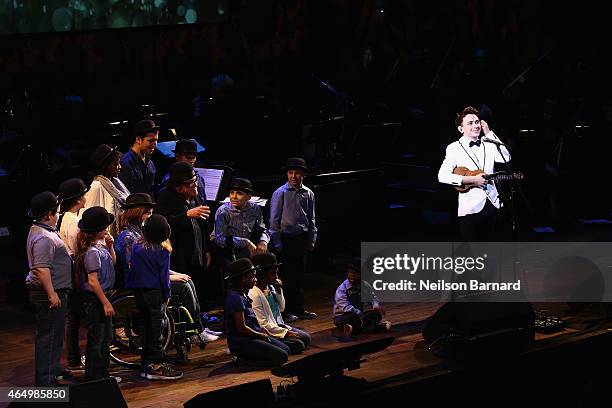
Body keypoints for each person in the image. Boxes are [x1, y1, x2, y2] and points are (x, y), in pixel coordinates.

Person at [115, 193, 219, 342]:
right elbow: (139, 269)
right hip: (138, 283)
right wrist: (170, 277)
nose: (151, 217)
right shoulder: (129, 237)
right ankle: (195, 330)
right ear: (137, 214)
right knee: (184, 286)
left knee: (187, 280)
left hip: (149, 278)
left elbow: (151, 264)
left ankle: (197, 326)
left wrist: (174, 273)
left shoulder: (142, 233)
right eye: (148, 213)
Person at [437, 106, 511, 241]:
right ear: (461, 128)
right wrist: (472, 180)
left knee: (493, 251)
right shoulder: (454, 148)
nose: (475, 125)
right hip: (470, 207)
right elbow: (442, 176)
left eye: (477, 122)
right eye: (470, 123)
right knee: (474, 254)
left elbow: (506, 158)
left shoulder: (488, 143)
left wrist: (489, 133)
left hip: (493, 203)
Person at [126, 214, 183, 380]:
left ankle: (146, 365)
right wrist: (167, 295)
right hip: (154, 293)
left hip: (138, 293)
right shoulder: (162, 251)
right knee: (156, 332)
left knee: (146, 330)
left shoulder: (136, 245)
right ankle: (156, 366)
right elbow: (163, 277)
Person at [25, 192, 72, 386]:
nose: (59, 215)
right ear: (48, 215)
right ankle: (46, 382)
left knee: (53, 335)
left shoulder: (42, 230)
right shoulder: (43, 237)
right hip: (50, 293)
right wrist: (52, 293)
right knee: (49, 337)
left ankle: (52, 373)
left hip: (55, 290)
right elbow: (42, 268)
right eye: (57, 212)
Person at [156, 162, 211, 305]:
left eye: (195, 181)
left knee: (198, 286)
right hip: (180, 256)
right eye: (190, 183)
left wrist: (206, 251)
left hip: (197, 252)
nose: (195, 185)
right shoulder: (166, 198)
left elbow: (203, 226)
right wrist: (186, 215)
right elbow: (164, 225)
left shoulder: (195, 195)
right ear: (178, 187)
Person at [269, 157, 317, 322]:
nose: (294, 176)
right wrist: (276, 242)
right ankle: (285, 311)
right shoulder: (280, 193)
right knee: (286, 276)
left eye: (297, 173)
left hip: (301, 239)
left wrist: (312, 238)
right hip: (285, 239)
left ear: (303, 175)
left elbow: (311, 218)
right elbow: (274, 220)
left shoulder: (308, 193)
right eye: (290, 173)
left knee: (299, 276)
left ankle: (299, 308)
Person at [75, 206, 119, 382]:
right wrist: (105, 303)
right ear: (97, 230)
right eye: (105, 227)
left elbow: (113, 263)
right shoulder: (91, 252)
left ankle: (103, 373)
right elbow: (93, 281)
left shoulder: (100, 247)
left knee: (105, 337)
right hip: (97, 299)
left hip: (104, 295)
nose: (107, 229)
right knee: (98, 338)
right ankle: (95, 376)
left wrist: (110, 247)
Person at [224, 258, 289, 366]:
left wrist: (260, 330)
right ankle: (243, 360)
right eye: (253, 276)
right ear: (244, 278)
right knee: (282, 356)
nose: (255, 279)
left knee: (286, 349)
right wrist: (259, 335)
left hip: (252, 336)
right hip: (242, 342)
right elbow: (242, 327)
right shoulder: (235, 298)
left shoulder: (243, 294)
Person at [249, 253, 311, 354]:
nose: (276, 277)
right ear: (262, 274)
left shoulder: (271, 287)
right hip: (268, 331)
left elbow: (282, 308)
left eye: (276, 273)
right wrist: (286, 333)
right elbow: (263, 325)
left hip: (279, 325)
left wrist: (278, 290)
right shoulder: (255, 294)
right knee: (298, 345)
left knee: (306, 338)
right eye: (273, 273)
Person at [57, 178, 89, 371]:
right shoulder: (73, 222)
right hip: (75, 273)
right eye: (83, 194)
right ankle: (73, 359)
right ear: (78, 199)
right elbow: (78, 251)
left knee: (74, 316)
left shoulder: (67, 218)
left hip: (73, 272)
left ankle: (73, 358)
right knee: (74, 317)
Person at [214, 178, 269, 261]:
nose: (234, 197)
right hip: (228, 252)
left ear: (249, 197)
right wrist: (245, 242)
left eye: (239, 194)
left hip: (248, 251)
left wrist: (263, 241)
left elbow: (262, 229)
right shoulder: (223, 211)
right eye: (232, 193)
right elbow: (219, 239)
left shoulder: (254, 208)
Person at [333, 258, 391, 336]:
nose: (352, 275)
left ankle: (354, 329)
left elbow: (372, 298)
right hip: (343, 316)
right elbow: (346, 307)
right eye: (350, 272)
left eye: (356, 273)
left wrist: (375, 305)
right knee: (352, 318)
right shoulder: (342, 289)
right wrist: (361, 315)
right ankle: (374, 327)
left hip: (359, 315)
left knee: (376, 314)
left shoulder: (364, 285)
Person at [83, 144, 130, 234]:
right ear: (106, 166)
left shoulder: (115, 183)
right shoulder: (96, 186)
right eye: (116, 164)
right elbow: (89, 218)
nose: (120, 167)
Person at [158, 138, 207, 204]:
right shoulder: (169, 179)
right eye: (188, 157)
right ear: (177, 156)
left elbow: (203, 201)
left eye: (194, 157)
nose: (192, 161)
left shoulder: (199, 178)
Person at [119, 119, 159, 196]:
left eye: (156, 140)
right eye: (151, 141)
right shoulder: (124, 163)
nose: (155, 144)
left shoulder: (150, 164)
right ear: (138, 139)